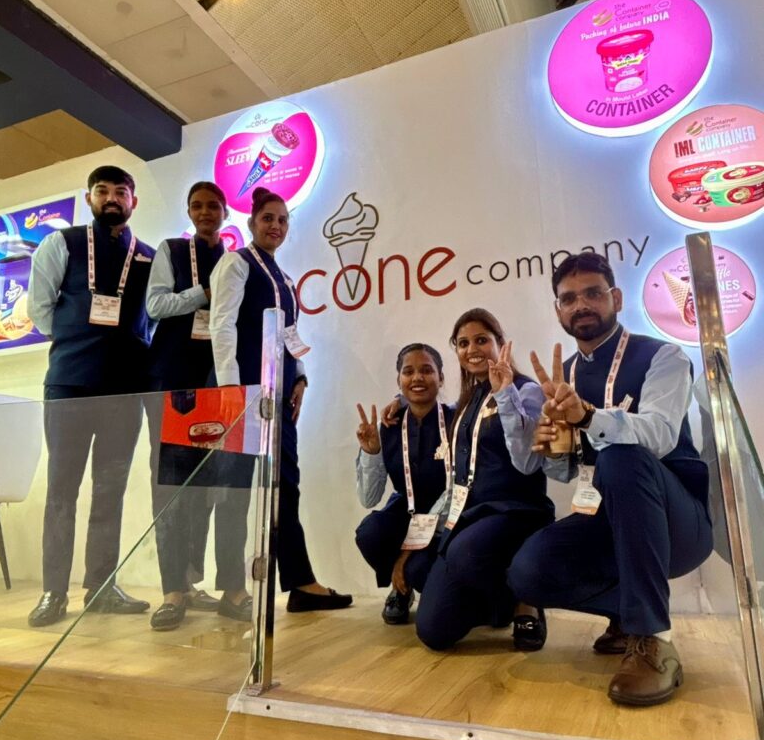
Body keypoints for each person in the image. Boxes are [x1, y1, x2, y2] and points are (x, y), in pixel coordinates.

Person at [506, 252, 713, 706]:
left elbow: (659, 434)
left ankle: (653, 638)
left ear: (616, 298)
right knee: (527, 571)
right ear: (558, 311)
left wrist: (588, 416)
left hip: (677, 523)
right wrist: (551, 447)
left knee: (621, 456)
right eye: (568, 298)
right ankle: (626, 614)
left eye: (593, 293)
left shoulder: (663, 355)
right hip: (607, 518)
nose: (581, 304)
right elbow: (570, 472)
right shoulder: (563, 376)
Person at [209, 186, 352, 612]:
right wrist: (231, 390)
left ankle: (301, 583)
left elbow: (290, 335)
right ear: (252, 223)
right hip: (243, 395)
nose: (276, 226)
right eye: (268, 218)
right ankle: (232, 589)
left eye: (283, 220)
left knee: (285, 486)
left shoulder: (285, 280)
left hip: (279, 397)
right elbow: (222, 326)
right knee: (235, 491)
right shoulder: (236, 263)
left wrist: (301, 376)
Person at [26, 165, 155, 627]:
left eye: (121, 191)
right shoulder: (61, 243)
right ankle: (53, 592)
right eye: (102, 191)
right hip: (70, 386)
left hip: (125, 391)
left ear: (133, 201)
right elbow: (40, 309)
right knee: (62, 491)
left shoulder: (149, 257)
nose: (112, 198)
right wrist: (78, 340)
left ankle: (101, 588)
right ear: (89, 199)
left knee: (110, 491)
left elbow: (153, 319)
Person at [412, 309, 554, 652]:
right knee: (432, 627)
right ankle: (499, 606)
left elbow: (527, 462)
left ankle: (525, 601)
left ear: (499, 343)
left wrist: (505, 394)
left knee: (465, 553)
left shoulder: (527, 390)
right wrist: (400, 401)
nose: (471, 349)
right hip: (469, 517)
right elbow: (430, 407)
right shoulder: (468, 400)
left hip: (514, 511)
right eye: (463, 343)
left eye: (481, 340)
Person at [145, 181, 229, 631]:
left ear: (225, 212)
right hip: (171, 381)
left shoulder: (234, 259)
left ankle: (192, 582)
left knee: (206, 491)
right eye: (197, 206)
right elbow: (155, 305)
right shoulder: (172, 250)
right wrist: (202, 294)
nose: (205, 213)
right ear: (189, 211)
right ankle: (171, 590)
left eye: (213, 206)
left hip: (215, 384)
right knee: (169, 488)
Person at [355, 343, 454, 625]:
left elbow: (457, 490)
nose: (417, 378)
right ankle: (401, 588)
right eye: (408, 372)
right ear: (399, 380)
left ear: (441, 378)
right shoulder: (389, 425)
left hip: (447, 516)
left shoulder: (457, 421)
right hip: (407, 509)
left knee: (420, 570)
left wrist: (405, 555)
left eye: (427, 370)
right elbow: (368, 498)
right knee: (370, 533)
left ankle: (410, 576)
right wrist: (372, 452)